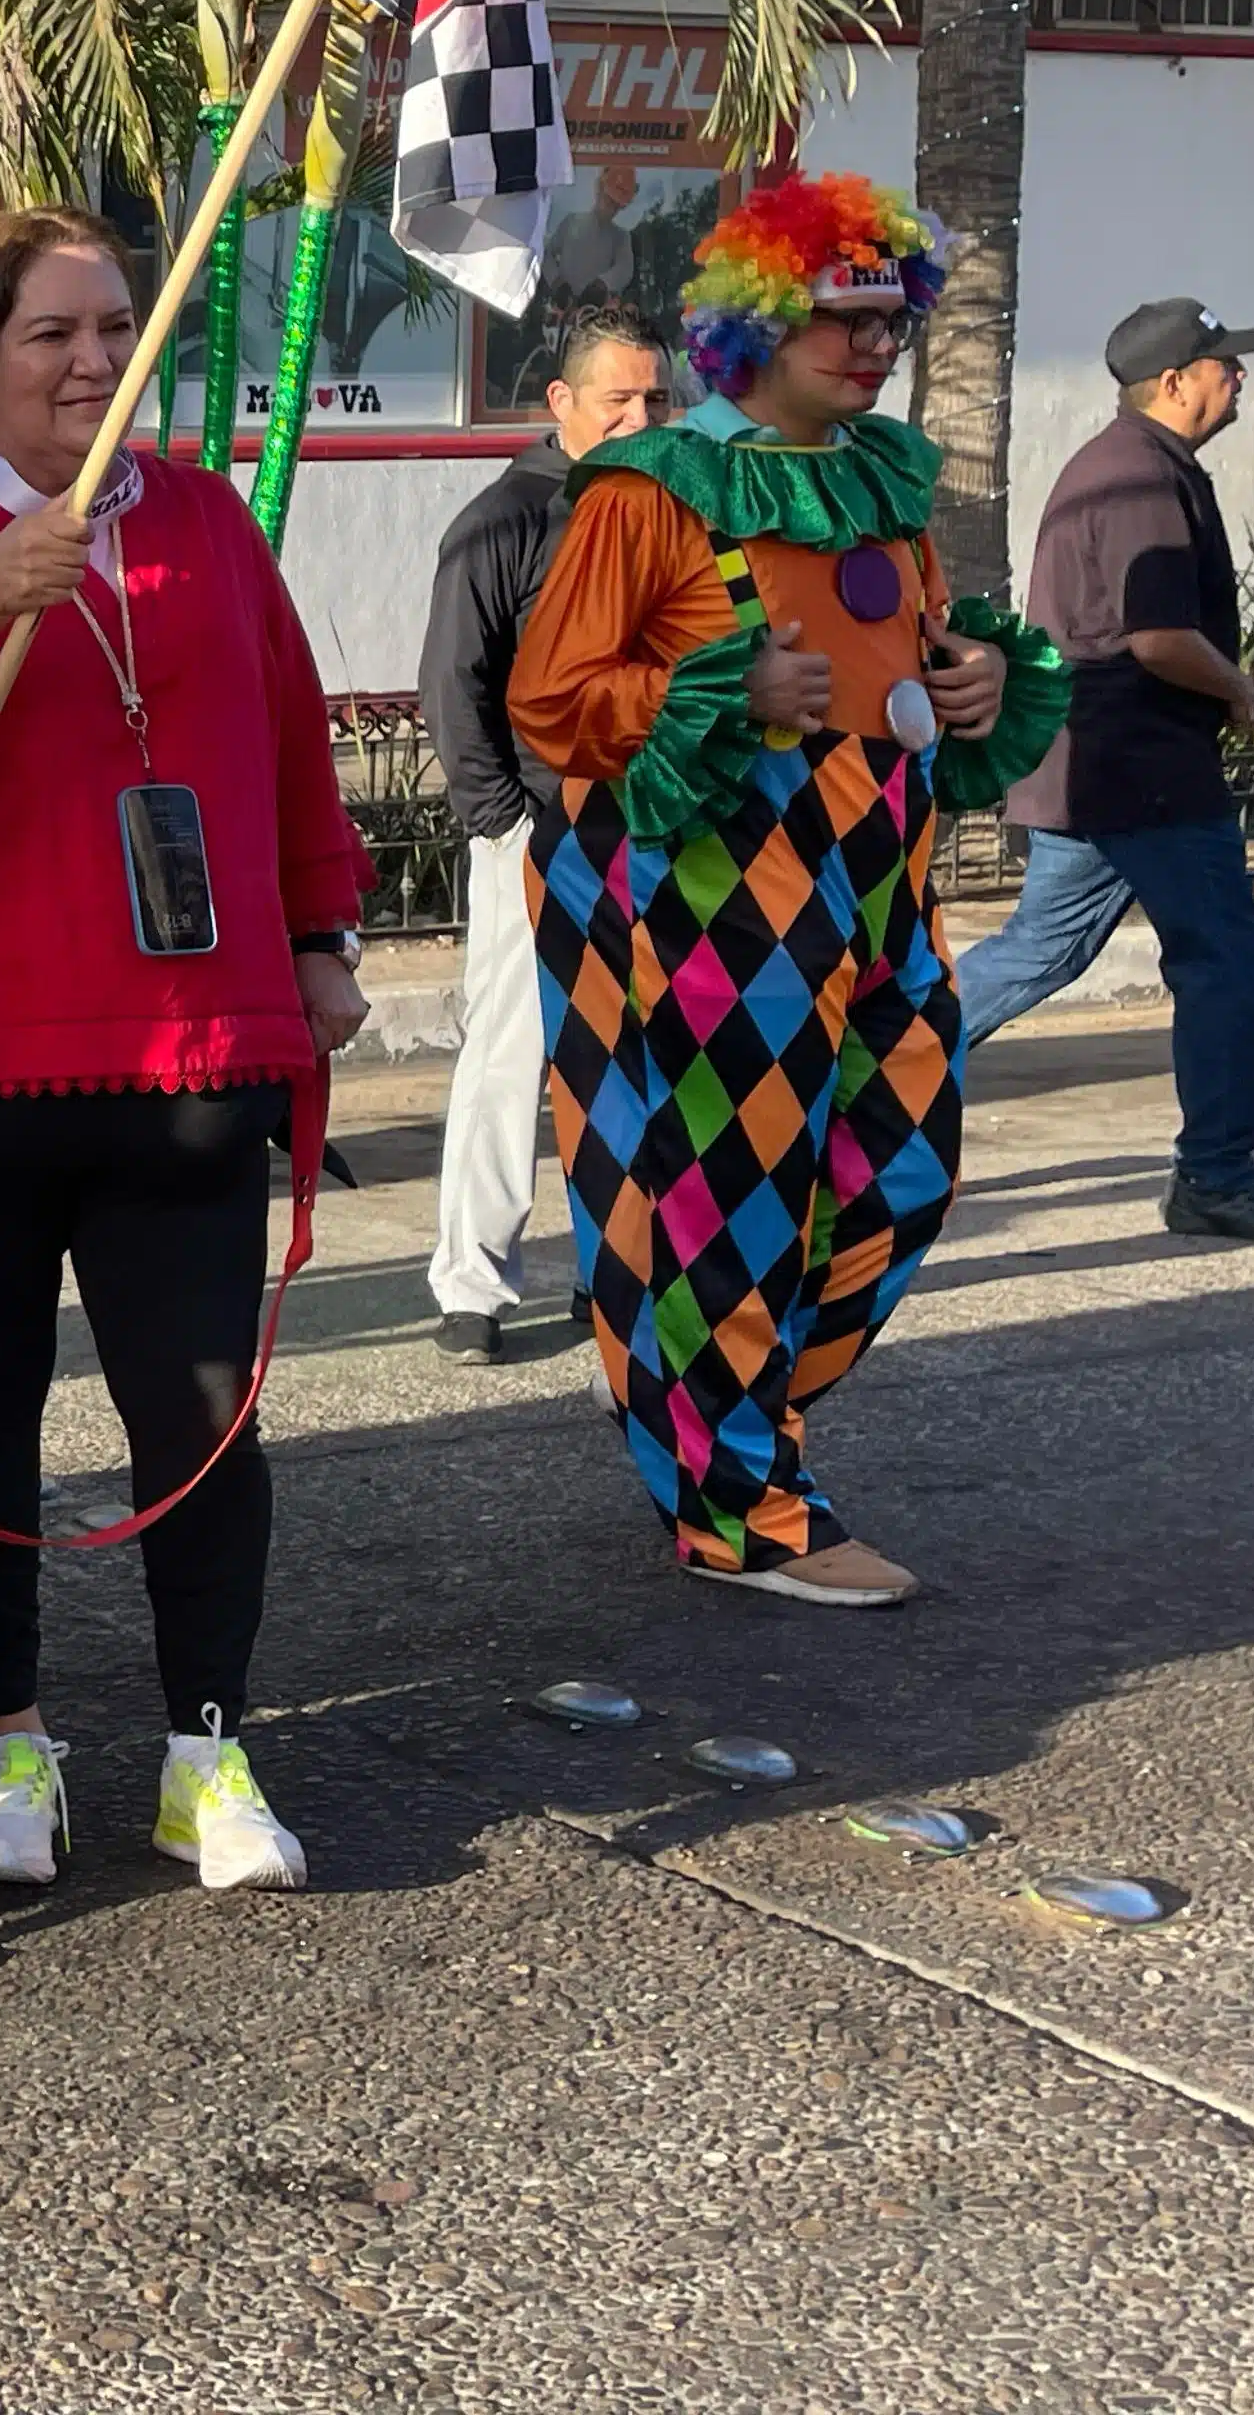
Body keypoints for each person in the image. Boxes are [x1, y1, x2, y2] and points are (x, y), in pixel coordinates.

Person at [0, 208, 370, 1896]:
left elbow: (286, 736)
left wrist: (321, 938)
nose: (95, 360)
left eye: (114, 326)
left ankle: (204, 1748)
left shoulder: (198, 524)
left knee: (195, 1415)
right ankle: (9, 1741)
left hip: (181, 1044)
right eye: (50, 334)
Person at [511, 175, 1065, 1607]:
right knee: (729, 1199)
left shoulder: (884, 476)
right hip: (718, 888)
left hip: (880, 875)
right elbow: (553, 700)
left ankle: (691, 1395)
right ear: (754, 323)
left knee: (906, 1167)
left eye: (890, 317)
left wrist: (976, 670)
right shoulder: (653, 488)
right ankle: (732, 1498)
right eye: (840, 317)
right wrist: (726, 686)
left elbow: (923, 652)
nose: (872, 346)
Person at [952, 299, 1254, 1245]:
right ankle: (1216, 1176)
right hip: (1145, 768)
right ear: (1173, 384)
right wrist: (1243, 690)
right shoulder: (1136, 479)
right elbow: (1160, 637)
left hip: (1099, 767)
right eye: (1222, 363)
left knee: (1039, 951)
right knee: (1222, 961)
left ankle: (855, 1072)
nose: (1238, 375)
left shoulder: (1132, 464)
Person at [418, 303, 667, 1363]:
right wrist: (504, 822)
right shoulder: (499, 523)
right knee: (511, 1057)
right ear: (562, 402)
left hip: (653, 830)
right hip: (536, 830)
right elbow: (452, 685)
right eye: (620, 399)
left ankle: (619, 1272)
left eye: (657, 398)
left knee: (641, 1059)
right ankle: (472, 1285)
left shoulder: (673, 513)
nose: (643, 417)